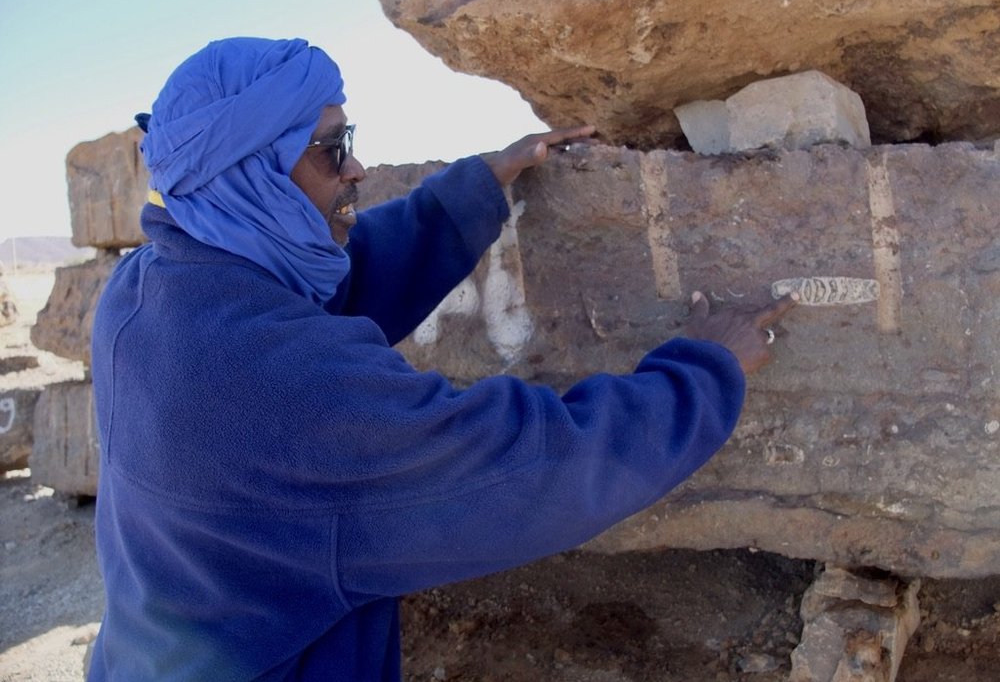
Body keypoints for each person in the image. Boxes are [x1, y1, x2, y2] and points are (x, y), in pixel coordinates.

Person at [87, 36, 796, 681]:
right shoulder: (292, 390)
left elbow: (330, 294)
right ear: (256, 176)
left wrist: (473, 192)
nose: (357, 167)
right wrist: (704, 371)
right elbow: (527, 471)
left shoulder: (148, 292)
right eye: (332, 149)